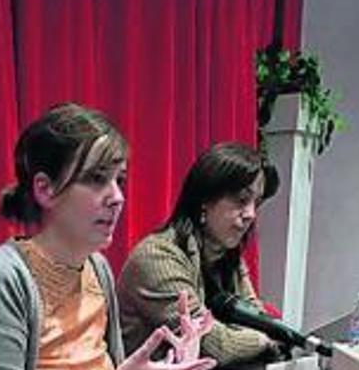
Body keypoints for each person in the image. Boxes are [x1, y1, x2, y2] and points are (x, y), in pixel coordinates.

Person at [0, 103, 216, 370]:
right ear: (45, 189)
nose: (117, 197)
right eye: (97, 179)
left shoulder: (97, 267)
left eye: (119, 181)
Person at [117, 142, 281, 366]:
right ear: (205, 200)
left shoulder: (226, 255)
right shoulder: (157, 258)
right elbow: (213, 345)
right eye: (242, 200)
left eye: (257, 203)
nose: (251, 214)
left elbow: (258, 318)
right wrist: (265, 339)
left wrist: (266, 333)